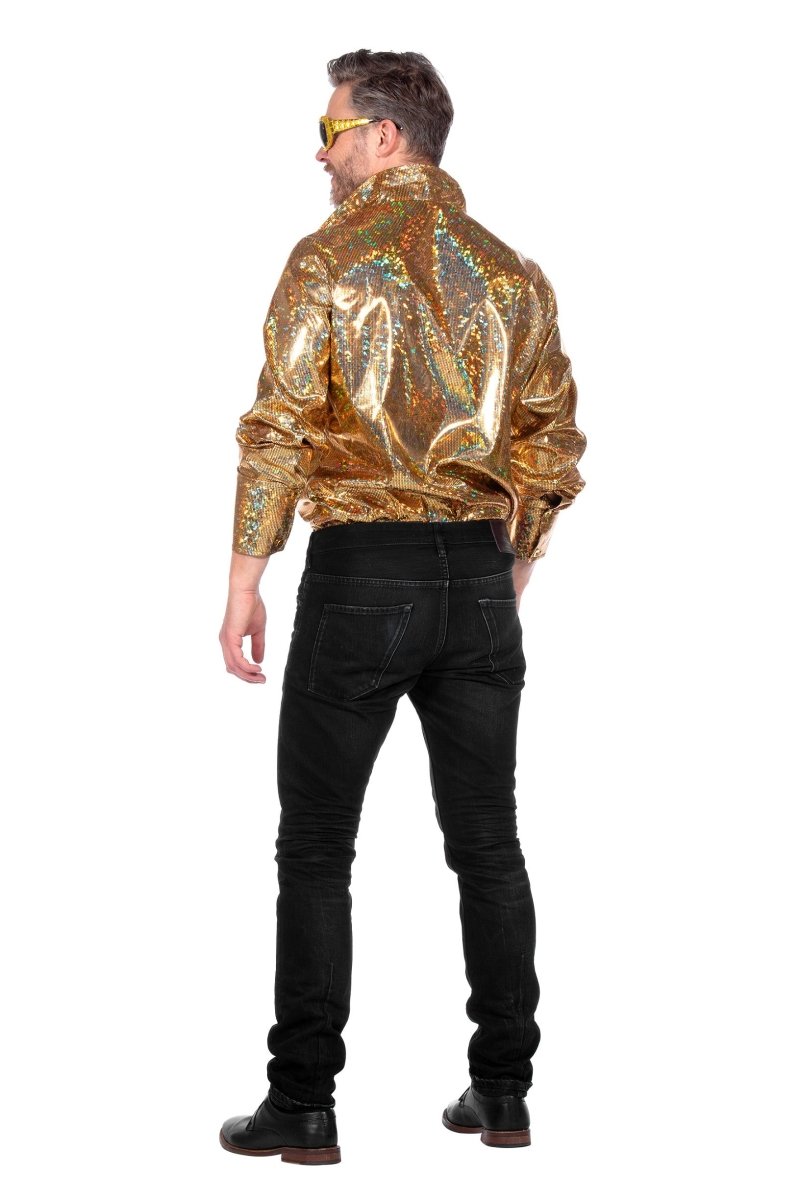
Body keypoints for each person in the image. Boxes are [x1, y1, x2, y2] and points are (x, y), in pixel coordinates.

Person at [218, 49, 587, 1165]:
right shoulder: (512, 272)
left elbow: (280, 424)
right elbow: (553, 439)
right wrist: (511, 561)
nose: (320, 153)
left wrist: (245, 576)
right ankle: (503, 1092)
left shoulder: (328, 259)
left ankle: (303, 1103)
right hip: (476, 579)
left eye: (330, 131)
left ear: (385, 136)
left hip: (360, 578)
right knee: (488, 841)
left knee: (316, 847)